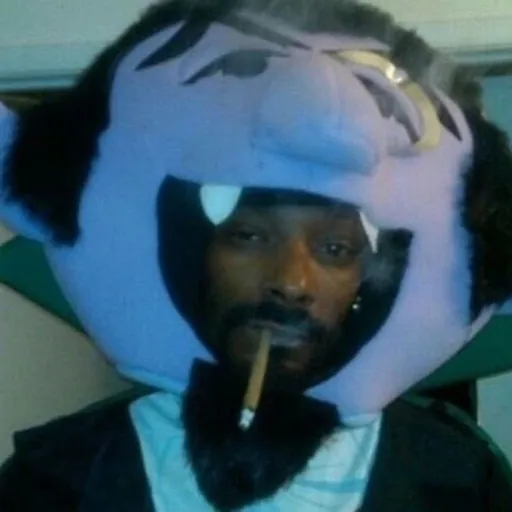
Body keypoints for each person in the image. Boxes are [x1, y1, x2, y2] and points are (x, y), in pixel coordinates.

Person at [1, 0, 512, 510]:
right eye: (247, 236)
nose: (290, 283)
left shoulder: (460, 482)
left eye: (335, 249)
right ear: (196, 252)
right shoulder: (57, 479)